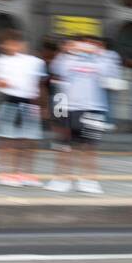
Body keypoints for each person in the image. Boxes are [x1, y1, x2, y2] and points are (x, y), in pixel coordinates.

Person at [48, 36, 117, 193]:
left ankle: (89, 180)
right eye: (81, 43)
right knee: (64, 146)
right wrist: (67, 51)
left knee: (90, 147)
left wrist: (99, 53)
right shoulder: (66, 58)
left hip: (94, 108)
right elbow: (56, 69)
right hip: (67, 107)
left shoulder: (101, 59)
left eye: (89, 43)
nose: (85, 46)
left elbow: (110, 73)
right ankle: (61, 178)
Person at [0, 30, 47, 186]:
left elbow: (40, 84)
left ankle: (25, 173)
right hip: (9, 101)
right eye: (8, 43)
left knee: (30, 140)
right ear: (2, 45)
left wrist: (43, 105)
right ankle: (6, 173)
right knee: (7, 140)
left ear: (22, 44)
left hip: (29, 103)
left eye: (16, 43)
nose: (12, 46)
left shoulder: (34, 61)